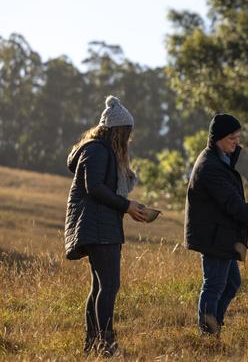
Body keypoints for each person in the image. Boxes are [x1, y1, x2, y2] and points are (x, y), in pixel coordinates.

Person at [64, 96, 147, 356]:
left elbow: (103, 187)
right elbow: (95, 187)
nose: (128, 139)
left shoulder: (99, 149)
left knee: (100, 286)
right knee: (108, 286)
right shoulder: (97, 150)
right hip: (98, 226)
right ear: (117, 131)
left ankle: (93, 344)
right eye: (126, 133)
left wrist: (127, 204)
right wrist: (127, 206)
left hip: (102, 224)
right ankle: (107, 345)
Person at [185, 113, 248, 338]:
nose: (236, 142)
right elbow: (234, 204)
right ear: (217, 138)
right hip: (214, 236)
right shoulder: (211, 166)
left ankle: (215, 324)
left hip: (222, 233)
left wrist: (233, 149)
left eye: (237, 137)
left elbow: (231, 198)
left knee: (231, 283)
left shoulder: (219, 159)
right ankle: (208, 335)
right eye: (231, 138)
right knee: (214, 286)